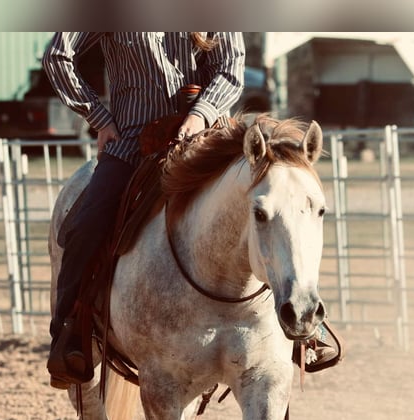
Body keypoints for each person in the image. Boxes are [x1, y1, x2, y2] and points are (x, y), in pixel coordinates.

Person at [43, 32, 339, 389]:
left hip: (209, 139)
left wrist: (200, 115)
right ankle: (71, 334)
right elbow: (58, 56)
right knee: (85, 226)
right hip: (132, 143)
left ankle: (305, 322)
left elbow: (230, 65)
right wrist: (99, 117)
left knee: (277, 201)